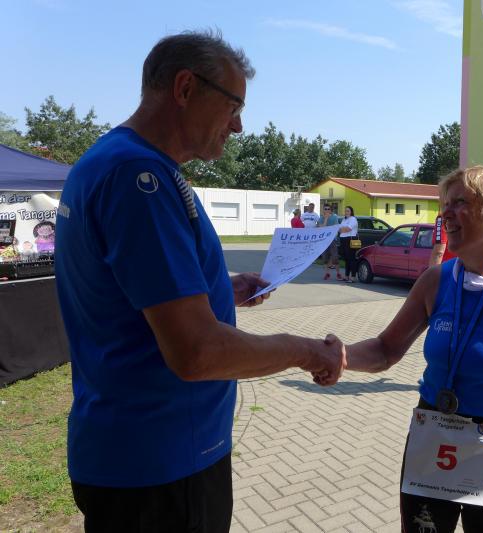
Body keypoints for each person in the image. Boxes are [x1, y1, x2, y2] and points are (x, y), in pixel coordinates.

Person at [54, 31, 346, 532]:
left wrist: (218, 290)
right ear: (185, 88)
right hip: (163, 468)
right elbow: (196, 353)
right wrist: (306, 352)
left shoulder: (114, 161)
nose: (238, 125)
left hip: (138, 456)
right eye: (234, 106)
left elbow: (131, 297)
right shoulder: (141, 178)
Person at [339, 166, 483, 532]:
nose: (445, 213)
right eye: (444, 203)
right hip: (431, 446)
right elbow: (385, 349)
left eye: (459, 202)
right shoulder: (435, 281)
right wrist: (333, 356)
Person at [318, 205, 342, 280]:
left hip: (332, 240)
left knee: (335, 257)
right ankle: (327, 273)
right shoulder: (321, 218)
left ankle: (338, 273)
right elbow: (322, 228)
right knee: (325, 258)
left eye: (328, 209)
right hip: (324, 240)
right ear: (323, 210)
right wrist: (326, 218)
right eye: (325, 209)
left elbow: (335, 228)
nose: (327, 210)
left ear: (331, 210)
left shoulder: (334, 217)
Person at [338, 205, 359, 283]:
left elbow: (348, 229)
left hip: (350, 240)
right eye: (345, 211)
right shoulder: (344, 219)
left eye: (348, 211)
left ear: (351, 212)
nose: (346, 212)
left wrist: (342, 229)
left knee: (351, 259)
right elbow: (339, 230)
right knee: (346, 259)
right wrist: (342, 229)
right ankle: (346, 276)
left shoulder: (353, 219)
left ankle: (353, 277)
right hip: (343, 240)